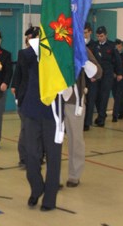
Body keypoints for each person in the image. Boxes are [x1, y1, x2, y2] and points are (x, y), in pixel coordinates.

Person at [13, 33, 61, 211]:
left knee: (53, 157)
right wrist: (37, 46)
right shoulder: (29, 54)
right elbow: (24, 58)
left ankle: (50, 198)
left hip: (54, 112)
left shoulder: (61, 54)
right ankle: (36, 187)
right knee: (31, 154)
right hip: (32, 110)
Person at [63, 48, 102, 187]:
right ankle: (52, 176)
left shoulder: (80, 47)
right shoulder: (51, 43)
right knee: (51, 141)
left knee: (75, 139)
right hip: (53, 101)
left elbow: (98, 72)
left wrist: (84, 62)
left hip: (74, 101)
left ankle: (74, 175)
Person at [11, 26, 39, 168]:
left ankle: (38, 156)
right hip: (26, 94)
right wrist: (14, 87)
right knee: (25, 128)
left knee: (40, 129)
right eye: (31, 37)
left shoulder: (44, 53)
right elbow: (19, 73)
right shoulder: (24, 53)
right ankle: (23, 157)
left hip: (40, 95)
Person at [94, 26, 122, 127]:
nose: (99, 38)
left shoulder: (111, 45)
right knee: (97, 96)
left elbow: (117, 60)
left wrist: (119, 73)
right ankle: (102, 114)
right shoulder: (95, 45)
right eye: (97, 36)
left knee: (104, 95)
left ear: (106, 35)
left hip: (108, 74)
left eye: (101, 36)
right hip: (97, 74)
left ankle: (101, 118)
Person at [83, 23, 100, 131]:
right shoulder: (78, 44)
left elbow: (98, 61)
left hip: (91, 77)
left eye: (85, 32)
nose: (83, 35)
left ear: (90, 32)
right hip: (81, 76)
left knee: (90, 99)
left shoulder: (95, 45)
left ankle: (87, 123)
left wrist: (95, 75)